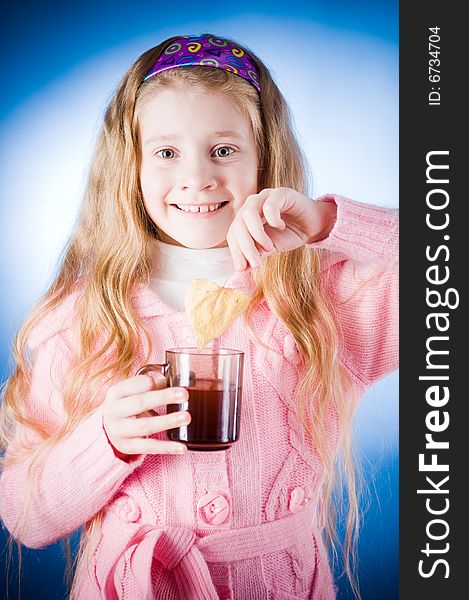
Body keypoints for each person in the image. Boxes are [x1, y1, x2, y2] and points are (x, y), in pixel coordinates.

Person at [0, 33, 398, 599]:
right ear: (131, 168)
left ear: (263, 160)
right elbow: (23, 515)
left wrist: (329, 223)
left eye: (224, 149)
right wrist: (105, 439)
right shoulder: (84, 318)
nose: (199, 178)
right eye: (166, 153)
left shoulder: (324, 298)